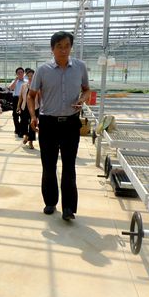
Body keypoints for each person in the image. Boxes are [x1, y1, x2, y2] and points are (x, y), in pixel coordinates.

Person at [28, 31, 91, 221]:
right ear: (52, 49)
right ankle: (50, 201)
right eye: (59, 46)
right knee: (48, 165)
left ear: (71, 47)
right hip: (48, 123)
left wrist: (82, 99)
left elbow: (87, 90)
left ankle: (69, 208)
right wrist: (33, 116)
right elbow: (31, 96)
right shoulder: (43, 70)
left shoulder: (80, 67)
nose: (63, 50)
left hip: (71, 122)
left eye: (67, 46)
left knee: (69, 165)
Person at [17, 68, 39, 149]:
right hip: (24, 107)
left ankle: (31, 141)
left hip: (34, 107)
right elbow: (21, 97)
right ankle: (26, 135)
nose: (30, 77)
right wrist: (18, 106)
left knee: (32, 124)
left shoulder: (37, 86)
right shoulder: (24, 85)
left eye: (31, 76)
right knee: (24, 122)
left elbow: (40, 98)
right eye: (28, 76)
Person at [8, 67, 26, 137]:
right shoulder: (14, 81)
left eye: (21, 72)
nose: (20, 74)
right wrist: (15, 80)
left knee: (23, 115)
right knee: (15, 115)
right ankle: (17, 128)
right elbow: (11, 88)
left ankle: (21, 130)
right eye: (18, 73)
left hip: (24, 99)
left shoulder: (26, 81)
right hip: (16, 98)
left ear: (23, 73)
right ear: (16, 74)